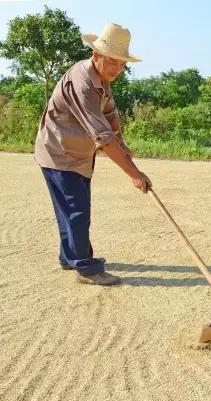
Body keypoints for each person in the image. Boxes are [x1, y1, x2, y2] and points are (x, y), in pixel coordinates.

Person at [34, 23, 151, 286]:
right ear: (96, 55)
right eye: (113, 62)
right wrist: (134, 173)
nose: (117, 69)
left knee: (70, 208)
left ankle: (70, 257)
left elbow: (110, 117)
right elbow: (103, 137)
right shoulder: (83, 81)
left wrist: (124, 146)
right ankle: (86, 268)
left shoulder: (102, 79)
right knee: (76, 211)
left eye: (122, 64)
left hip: (77, 154)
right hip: (59, 153)